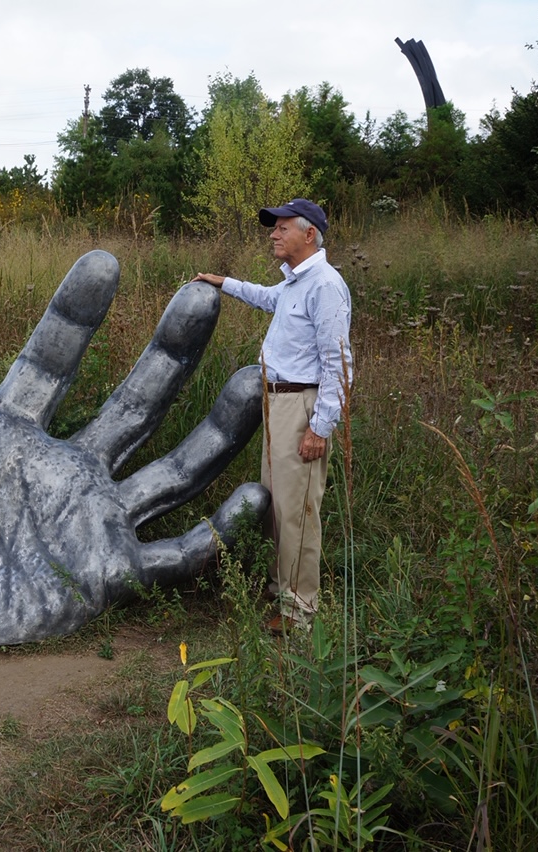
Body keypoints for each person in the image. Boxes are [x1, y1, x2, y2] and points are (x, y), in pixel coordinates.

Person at [192, 199, 352, 634]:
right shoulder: (296, 284)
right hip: (277, 405)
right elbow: (265, 298)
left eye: (282, 228)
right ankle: (281, 587)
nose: (273, 235)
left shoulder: (325, 286)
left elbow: (338, 364)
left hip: (301, 406)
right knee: (276, 506)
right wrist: (222, 282)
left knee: (297, 509)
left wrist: (319, 427)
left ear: (309, 234)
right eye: (274, 228)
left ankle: (300, 610)